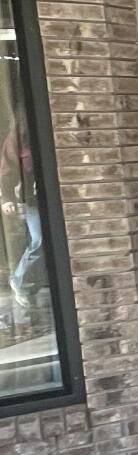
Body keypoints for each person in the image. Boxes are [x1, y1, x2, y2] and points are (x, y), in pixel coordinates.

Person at [1, 111, 42, 312]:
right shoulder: (15, 140)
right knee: (39, 240)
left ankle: (32, 284)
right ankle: (18, 280)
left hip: (48, 195)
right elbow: (6, 171)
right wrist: (7, 199)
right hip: (29, 199)